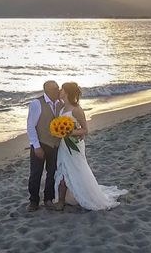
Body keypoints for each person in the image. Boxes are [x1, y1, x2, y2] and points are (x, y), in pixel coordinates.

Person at [54, 82, 127, 211]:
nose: (60, 91)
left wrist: (69, 132)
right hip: (64, 145)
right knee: (62, 169)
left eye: (62, 89)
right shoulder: (62, 108)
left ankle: (64, 201)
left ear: (67, 92)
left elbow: (85, 130)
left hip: (74, 145)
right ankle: (63, 200)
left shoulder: (77, 110)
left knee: (76, 169)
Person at [26, 80, 62, 211]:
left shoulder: (60, 103)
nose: (57, 91)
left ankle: (48, 199)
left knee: (52, 172)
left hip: (55, 145)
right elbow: (31, 126)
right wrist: (36, 146)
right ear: (46, 90)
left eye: (58, 88)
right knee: (36, 173)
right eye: (54, 89)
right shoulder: (37, 103)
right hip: (41, 143)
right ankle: (33, 201)